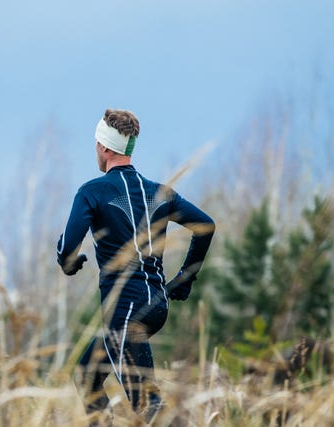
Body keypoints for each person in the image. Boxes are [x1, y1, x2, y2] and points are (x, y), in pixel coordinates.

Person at [56, 109, 215, 423]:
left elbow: (68, 247)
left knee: (148, 406)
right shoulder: (159, 192)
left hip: (127, 313)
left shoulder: (92, 192)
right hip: (155, 306)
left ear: (103, 146)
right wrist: (186, 276)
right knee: (87, 374)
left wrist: (69, 262)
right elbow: (205, 226)